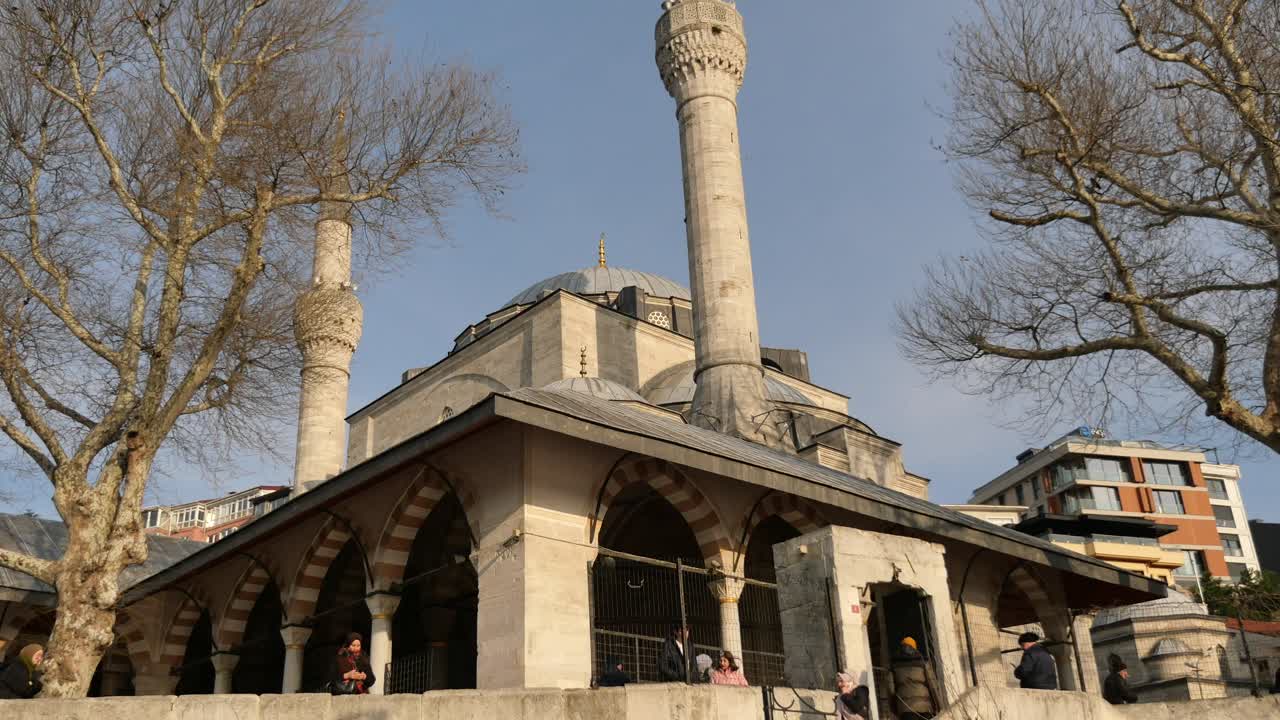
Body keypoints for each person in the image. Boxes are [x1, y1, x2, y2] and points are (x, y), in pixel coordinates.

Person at [891, 636, 937, 719]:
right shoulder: (923, 662)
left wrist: (894, 708)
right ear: (914, 648)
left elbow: (890, 688)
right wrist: (937, 704)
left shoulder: (894, 665)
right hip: (925, 707)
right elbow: (932, 684)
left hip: (905, 709)